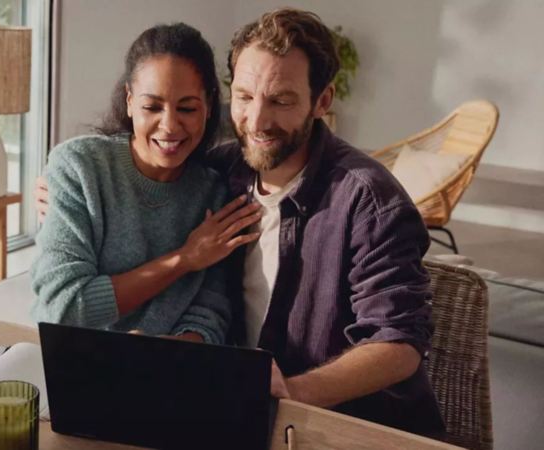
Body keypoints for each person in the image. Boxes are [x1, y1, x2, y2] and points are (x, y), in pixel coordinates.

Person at [36, 9, 445, 436]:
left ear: (322, 101)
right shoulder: (224, 172)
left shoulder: (369, 200)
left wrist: (294, 390)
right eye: (246, 97)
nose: (256, 121)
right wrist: (57, 196)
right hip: (240, 414)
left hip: (350, 427)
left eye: (281, 100)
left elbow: (399, 344)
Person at [30, 23, 262, 345]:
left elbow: (211, 311)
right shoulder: (78, 167)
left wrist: (166, 354)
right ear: (129, 101)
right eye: (152, 107)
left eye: (187, 108)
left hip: (168, 370)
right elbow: (63, 307)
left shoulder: (214, 192)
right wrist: (185, 258)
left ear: (208, 106)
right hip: (69, 360)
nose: (169, 126)